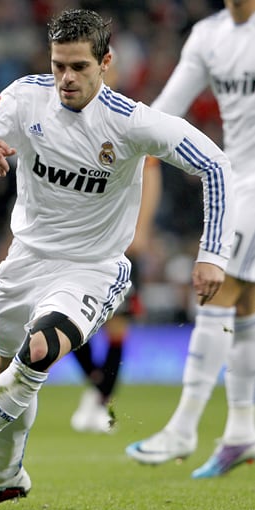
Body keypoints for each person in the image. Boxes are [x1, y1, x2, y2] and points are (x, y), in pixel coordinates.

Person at [0, 8, 234, 510]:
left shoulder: (131, 122)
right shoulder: (26, 96)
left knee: (37, 353)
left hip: (92, 268)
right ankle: (6, 476)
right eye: (58, 66)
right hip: (25, 261)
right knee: (9, 373)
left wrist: (212, 254)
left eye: (78, 67)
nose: (66, 79)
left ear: (106, 62)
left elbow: (215, 163)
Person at [125, 0, 255, 478]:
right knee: (243, 308)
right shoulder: (208, 36)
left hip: (251, 189)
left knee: (219, 293)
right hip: (237, 177)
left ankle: (183, 426)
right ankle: (242, 431)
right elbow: (163, 114)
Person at [70, 157, 160, 433]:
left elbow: (151, 176)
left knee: (117, 324)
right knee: (70, 319)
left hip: (121, 241)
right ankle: (98, 391)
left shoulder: (133, 129)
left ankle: (100, 402)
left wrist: (141, 230)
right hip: (83, 238)